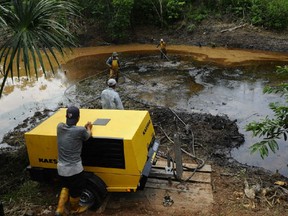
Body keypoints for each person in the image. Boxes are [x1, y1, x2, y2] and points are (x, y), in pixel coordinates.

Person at [55, 106, 93, 215]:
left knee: (65, 186)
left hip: (61, 169)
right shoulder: (80, 130)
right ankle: (75, 208)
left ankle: (60, 209)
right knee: (76, 191)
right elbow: (87, 136)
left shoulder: (59, 127)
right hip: (74, 169)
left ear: (66, 116)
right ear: (78, 118)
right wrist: (88, 127)